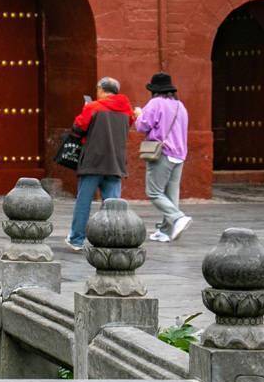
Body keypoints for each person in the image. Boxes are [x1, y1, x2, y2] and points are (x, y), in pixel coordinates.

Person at [66, 76, 134, 250]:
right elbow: (130, 123)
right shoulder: (127, 111)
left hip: (93, 161)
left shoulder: (93, 107)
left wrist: (85, 109)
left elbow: (78, 128)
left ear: (101, 89)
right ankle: (112, 239)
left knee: (84, 202)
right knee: (113, 206)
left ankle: (76, 239)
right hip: (115, 163)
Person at [133, 72, 191, 243]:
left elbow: (143, 126)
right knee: (171, 194)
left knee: (154, 192)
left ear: (154, 90)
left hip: (163, 153)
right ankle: (166, 231)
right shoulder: (180, 106)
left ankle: (178, 218)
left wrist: (139, 114)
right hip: (179, 154)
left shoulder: (156, 103)